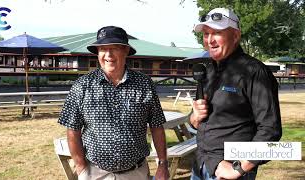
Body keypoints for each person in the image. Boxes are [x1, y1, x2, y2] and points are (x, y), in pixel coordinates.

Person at [58, 26, 169, 180]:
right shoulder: (82, 85)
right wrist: (81, 168)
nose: (108, 54)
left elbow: (157, 126)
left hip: (136, 173)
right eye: (102, 48)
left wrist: (163, 164)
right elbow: (72, 130)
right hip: (95, 173)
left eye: (114, 48)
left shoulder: (144, 84)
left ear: (125, 51)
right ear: (97, 53)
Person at [189, 8, 282, 180]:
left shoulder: (254, 71)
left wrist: (239, 168)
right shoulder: (208, 70)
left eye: (217, 33)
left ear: (235, 36)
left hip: (228, 171)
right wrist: (194, 118)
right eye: (206, 34)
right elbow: (196, 119)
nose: (210, 40)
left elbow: (270, 130)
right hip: (200, 164)